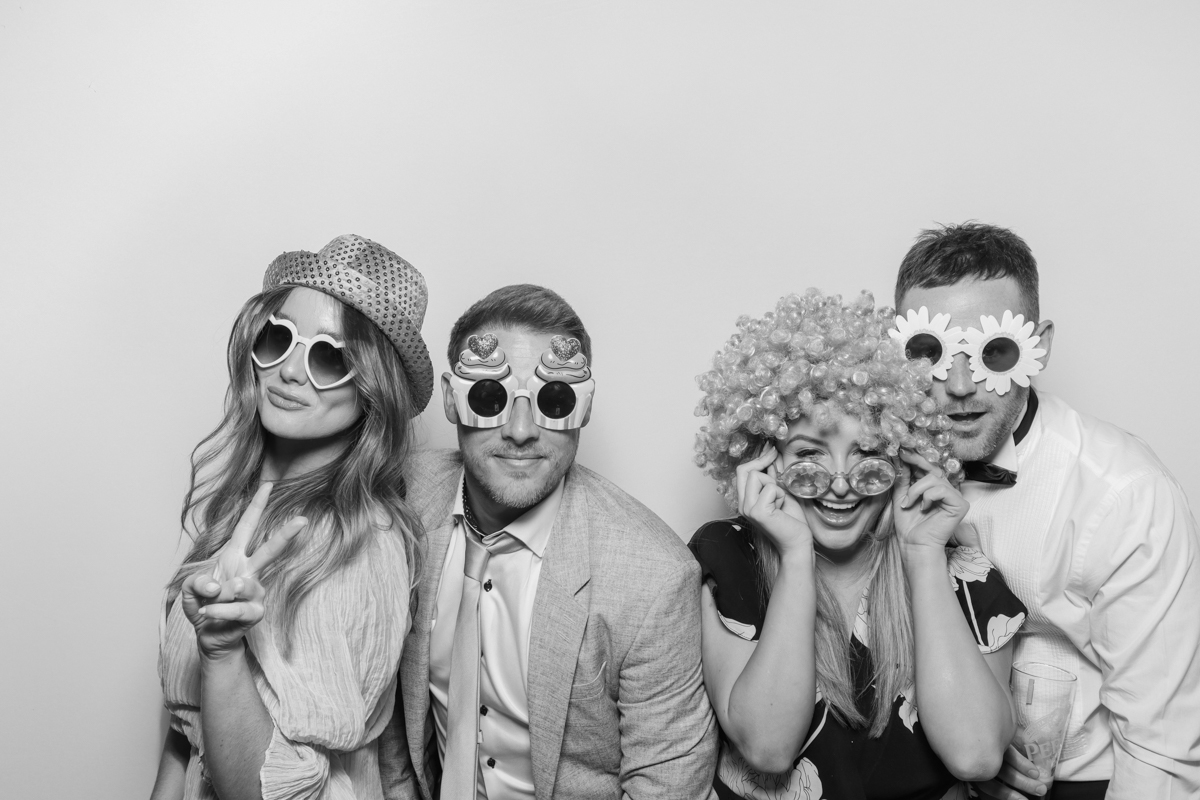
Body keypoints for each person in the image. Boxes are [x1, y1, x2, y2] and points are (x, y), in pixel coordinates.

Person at [894, 222, 1200, 799]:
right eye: (930, 352)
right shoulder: (865, 471)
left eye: (993, 352)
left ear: (1041, 347)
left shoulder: (1125, 494)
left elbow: (1161, 752)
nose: (960, 384)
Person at [379, 284, 718, 799]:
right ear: (451, 399)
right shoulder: (402, 499)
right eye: (488, 397)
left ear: (583, 407)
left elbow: (666, 785)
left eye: (552, 401)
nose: (520, 431)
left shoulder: (654, 578)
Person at [690, 289, 1028, 800]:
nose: (842, 484)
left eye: (867, 454)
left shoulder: (958, 568)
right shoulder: (727, 559)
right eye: (809, 455)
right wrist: (796, 557)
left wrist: (923, 558)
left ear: (903, 457)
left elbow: (976, 754)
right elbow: (768, 747)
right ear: (765, 460)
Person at [150, 234, 433, 800]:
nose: (289, 371)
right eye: (279, 338)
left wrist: (225, 651)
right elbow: (189, 729)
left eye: (330, 356)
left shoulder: (359, 544)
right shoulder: (248, 505)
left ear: (374, 390)